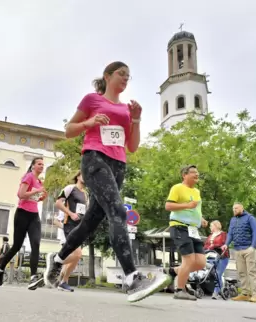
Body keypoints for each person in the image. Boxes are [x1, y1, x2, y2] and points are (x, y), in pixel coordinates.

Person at [43, 61, 171, 303]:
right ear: (108, 76)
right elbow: (69, 129)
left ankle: (57, 260)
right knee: (117, 211)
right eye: (121, 74)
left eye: (128, 76)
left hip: (118, 165)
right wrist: (89, 123)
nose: (125, 78)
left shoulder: (125, 109)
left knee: (88, 225)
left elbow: (132, 147)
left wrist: (136, 120)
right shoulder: (92, 100)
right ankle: (132, 279)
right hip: (94, 160)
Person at [0, 157, 47, 291]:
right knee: (17, 246)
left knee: (36, 244)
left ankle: (33, 277)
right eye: (39, 164)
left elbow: (34, 198)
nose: (42, 166)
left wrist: (41, 197)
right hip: (22, 213)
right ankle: (0, 267)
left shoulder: (39, 181)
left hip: (34, 215)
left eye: (43, 164)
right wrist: (35, 191)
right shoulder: (28, 177)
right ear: (33, 166)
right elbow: (21, 194)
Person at [165, 165, 208, 301]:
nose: (197, 175)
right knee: (188, 261)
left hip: (193, 229)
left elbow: (195, 210)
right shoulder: (177, 188)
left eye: (197, 172)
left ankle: (174, 271)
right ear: (184, 175)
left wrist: (201, 219)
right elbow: (168, 206)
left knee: (200, 263)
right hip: (179, 226)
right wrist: (187, 205)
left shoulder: (196, 191)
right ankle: (179, 290)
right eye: (193, 173)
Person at [53, 170, 88, 292]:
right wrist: (71, 213)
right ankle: (55, 262)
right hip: (70, 225)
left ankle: (63, 281)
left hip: (80, 227)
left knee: (77, 256)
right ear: (78, 176)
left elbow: (84, 211)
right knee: (77, 254)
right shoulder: (70, 188)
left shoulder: (85, 194)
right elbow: (58, 203)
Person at [221, 202, 256, 303]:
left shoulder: (250, 218)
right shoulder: (233, 220)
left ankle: (255, 294)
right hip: (237, 249)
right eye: (233, 209)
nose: (234, 210)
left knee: (252, 272)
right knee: (241, 272)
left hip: (248, 249)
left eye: (236, 208)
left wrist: (253, 246)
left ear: (242, 208)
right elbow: (230, 233)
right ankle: (245, 293)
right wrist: (226, 244)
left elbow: (255, 232)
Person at [204, 220, 229, 299]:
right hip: (211, 255)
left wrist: (213, 246)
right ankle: (220, 290)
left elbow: (224, 243)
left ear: (216, 226)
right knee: (213, 274)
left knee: (218, 273)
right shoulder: (210, 235)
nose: (210, 227)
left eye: (211, 226)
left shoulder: (223, 234)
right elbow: (206, 245)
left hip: (222, 256)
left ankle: (216, 292)